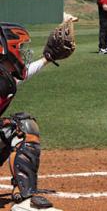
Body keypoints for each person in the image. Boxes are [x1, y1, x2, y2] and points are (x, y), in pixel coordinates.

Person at [0, 18, 75, 211]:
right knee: (21, 128)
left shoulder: (4, 78)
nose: (23, 53)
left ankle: (24, 194)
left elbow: (23, 76)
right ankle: (27, 202)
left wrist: (47, 59)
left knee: (14, 127)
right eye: (20, 47)